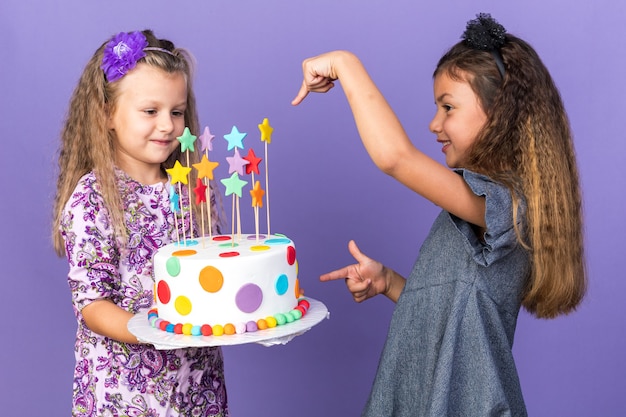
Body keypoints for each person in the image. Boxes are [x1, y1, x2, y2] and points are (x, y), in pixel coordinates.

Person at [292, 13, 586, 416]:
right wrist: (391, 282)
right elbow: (458, 311)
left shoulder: (505, 205)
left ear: (500, 114)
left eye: (448, 107)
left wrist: (346, 63)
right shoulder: (480, 205)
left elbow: (395, 157)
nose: (434, 123)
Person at [52, 30, 228, 416]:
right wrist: (150, 329)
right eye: (151, 111)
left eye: (176, 112)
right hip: (125, 392)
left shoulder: (193, 189)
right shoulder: (92, 197)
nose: (167, 125)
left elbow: (212, 269)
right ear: (106, 114)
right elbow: (92, 303)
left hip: (196, 383)